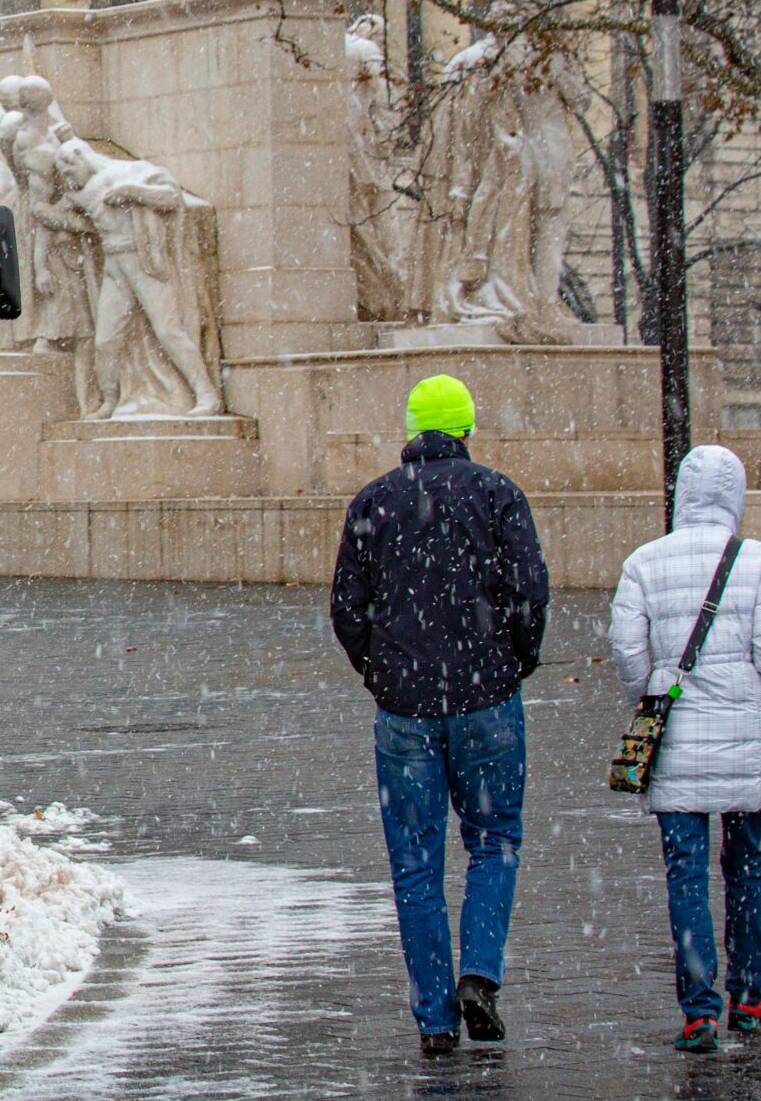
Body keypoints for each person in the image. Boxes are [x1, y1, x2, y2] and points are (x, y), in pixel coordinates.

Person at [331, 374, 548, 1056]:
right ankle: (479, 974)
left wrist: (382, 671)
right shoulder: (497, 494)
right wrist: (512, 660)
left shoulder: (373, 502)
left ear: (410, 432)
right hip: (487, 698)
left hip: (405, 709)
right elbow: (529, 591)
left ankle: (434, 1017)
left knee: (415, 862)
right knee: (494, 840)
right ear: (466, 430)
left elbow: (347, 608)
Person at [609, 445, 761, 1052]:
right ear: (735, 496)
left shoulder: (644, 562)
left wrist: (655, 692)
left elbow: (627, 653)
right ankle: (750, 993)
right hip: (743, 733)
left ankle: (698, 1011)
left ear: (682, 495)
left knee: (685, 872)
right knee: (746, 865)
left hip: (676, 740)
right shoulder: (759, 559)